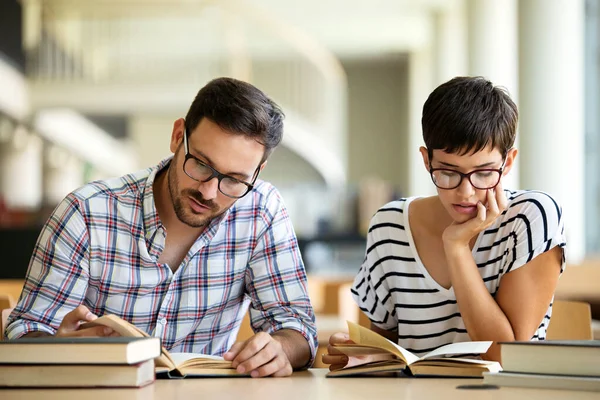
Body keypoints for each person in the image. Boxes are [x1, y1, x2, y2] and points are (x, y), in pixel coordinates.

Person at [5, 77, 317, 378]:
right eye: (201, 164)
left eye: (234, 180)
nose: (208, 192)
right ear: (177, 135)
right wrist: (55, 347)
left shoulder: (262, 211)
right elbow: (25, 331)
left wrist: (281, 348)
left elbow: (298, 329)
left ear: (257, 172)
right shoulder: (86, 213)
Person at [324, 76, 565, 369]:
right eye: (448, 172)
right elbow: (387, 347)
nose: (466, 192)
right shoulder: (389, 226)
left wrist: (457, 247)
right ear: (427, 161)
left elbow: (507, 356)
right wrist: (362, 354)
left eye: (484, 173)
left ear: (508, 162)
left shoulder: (530, 217)